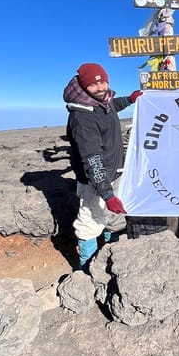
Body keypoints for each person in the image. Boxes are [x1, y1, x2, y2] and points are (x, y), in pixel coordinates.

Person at [63, 62, 142, 271]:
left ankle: (111, 256)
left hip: (114, 173)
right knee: (90, 221)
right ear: (82, 87)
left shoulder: (101, 102)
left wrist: (130, 100)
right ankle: (86, 268)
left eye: (103, 82)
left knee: (114, 219)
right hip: (94, 183)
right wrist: (107, 194)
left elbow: (112, 106)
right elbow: (92, 158)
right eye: (94, 85)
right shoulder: (82, 117)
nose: (100, 88)